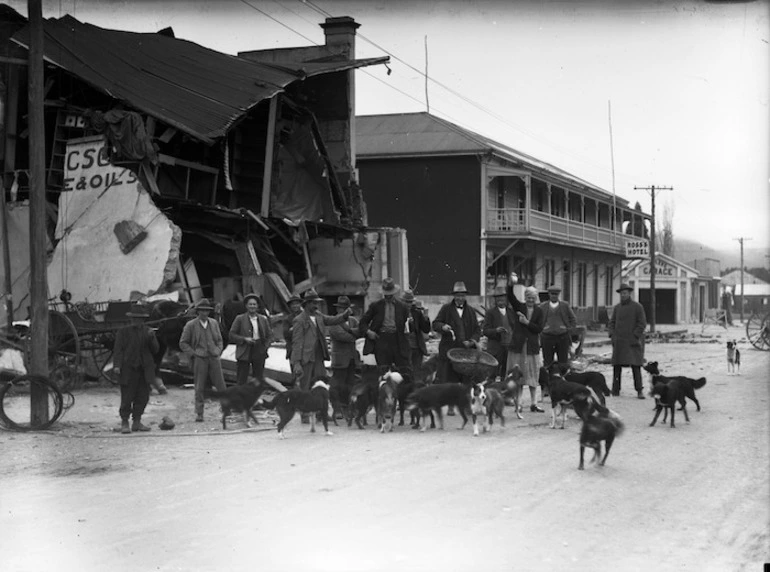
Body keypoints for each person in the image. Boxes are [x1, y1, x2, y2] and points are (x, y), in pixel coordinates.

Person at [291, 289, 351, 421]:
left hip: (318, 356)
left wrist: (344, 316)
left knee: (320, 384)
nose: (316, 305)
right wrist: (296, 363)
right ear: (306, 304)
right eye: (314, 303)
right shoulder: (299, 320)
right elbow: (296, 343)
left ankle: (320, 413)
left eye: (317, 302)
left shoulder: (318, 315)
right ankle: (305, 413)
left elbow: (331, 320)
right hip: (306, 357)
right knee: (305, 386)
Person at [113, 304, 159, 434]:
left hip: (144, 370)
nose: (136, 321)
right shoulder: (123, 332)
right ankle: (124, 422)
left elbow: (155, 350)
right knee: (127, 397)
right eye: (134, 318)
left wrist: (152, 338)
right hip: (128, 370)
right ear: (131, 319)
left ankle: (137, 422)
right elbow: (118, 350)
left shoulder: (148, 332)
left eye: (139, 319)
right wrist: (117, 366)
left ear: (143, 320)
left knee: (143, 397)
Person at [179, 298, 227, 422]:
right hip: (200, 358)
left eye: (207, 311)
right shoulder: (191, 325)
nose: (204, 313)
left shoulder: (214, 323)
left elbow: (220, 340)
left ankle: (226, 410)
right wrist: (193, 354)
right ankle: (199, 413)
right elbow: (183, 343)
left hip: (214, 357)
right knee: (199, 387)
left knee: (221, 385)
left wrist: (218, 350)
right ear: (198, 311)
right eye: (202, 311)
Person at [506, 275, 545, 413]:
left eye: (532, 297)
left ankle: (534, 403)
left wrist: (527, 323)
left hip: (532, 347)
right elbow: (510, 296)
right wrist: (510, 284)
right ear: (525, 297)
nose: (530, 300)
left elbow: (539, 328)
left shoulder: (540, 311)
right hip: (519, 345)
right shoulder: (519, 307)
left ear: (536, 298)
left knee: (533, 375)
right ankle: (520, 403)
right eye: (528, 297)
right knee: (520, 376)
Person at [358, 278, 412, 377]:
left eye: (390, 295)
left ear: (394, 293)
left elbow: (405, 324)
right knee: (383, 370)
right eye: (386, 295)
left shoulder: (402, 307)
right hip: (381, 340)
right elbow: (363, 323)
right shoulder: (376, 306)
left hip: (397, 340)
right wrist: (368, 332)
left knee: (404, 371)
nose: (388, 297)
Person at [432, 281, 480, 384]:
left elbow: (477, 330)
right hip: (448, 353)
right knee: (447, 382)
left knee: (466, 383)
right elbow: (435, 324)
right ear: (453, 296)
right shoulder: (446, 309)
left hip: (466, 355)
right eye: (457, 296)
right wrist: (443, 327)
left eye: (462, 296)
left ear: (465, 296)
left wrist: (472, 342)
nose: (460, 298)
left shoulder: (471, 311)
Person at [608, 283, 647, 399]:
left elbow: (642, 323)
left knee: (636, 366)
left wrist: (635, 335)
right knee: (617, 366)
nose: (623, 295)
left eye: (625, 293)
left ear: (629, 293)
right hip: (619, 342)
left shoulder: (637, 307)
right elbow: (612, 322)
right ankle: (615, 390)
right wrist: (612, 335)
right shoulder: (617, 308)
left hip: (632, 342)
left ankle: (639, 390)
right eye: (621, 294)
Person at [229, 293, 272, 386]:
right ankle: (241, 398)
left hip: (259, 349)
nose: (252, 306)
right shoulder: (239, 318)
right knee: (242, 377)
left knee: (258, 377)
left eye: (254, 304)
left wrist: (265, 346)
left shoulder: (263, 319)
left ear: (257, 306)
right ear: (246, 306)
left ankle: (255, 398)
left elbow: (270, 335)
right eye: (250, 304)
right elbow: (232, 335)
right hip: (244, 349)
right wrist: (244, 339)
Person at [328, 295, 361, 415]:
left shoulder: (353, 320)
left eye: (346, 308)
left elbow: (361, 330)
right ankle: (337, 409)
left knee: (350, 384)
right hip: (340, 358)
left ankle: (348, 407)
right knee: (337, 385)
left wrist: (353, 333)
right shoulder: (333, 321)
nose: (344, 310)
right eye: (341, 308)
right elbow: (341, 336)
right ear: (338, 309)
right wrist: (354, 334)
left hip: (352, 358)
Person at [539, 285, 577, 369]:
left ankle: (563, 378)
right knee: (547, 361)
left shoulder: (564, 305)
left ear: (559, 295)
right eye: (552, 294)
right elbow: (538, 319)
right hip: (547, 337)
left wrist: (569, 329)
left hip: (562, 337)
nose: (554, 296)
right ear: (549, 294)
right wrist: (542, 329)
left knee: (563, 361)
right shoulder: (543, 306)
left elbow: (573, 318)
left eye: (556, 294)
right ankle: (548, 379)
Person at [482, 285, 515, 380]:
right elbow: (485, 330)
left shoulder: (511, 312)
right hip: (496, 348)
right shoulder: (490, 313)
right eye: (498, 297)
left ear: (506, 298)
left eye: (502, 297)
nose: (500, 299)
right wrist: (496, 330)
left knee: (506, 373)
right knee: (492, 373)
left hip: (509, 347)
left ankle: (503, 391)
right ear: (495, 300)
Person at [402, 289, 431, 373]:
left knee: (417, 371)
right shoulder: (398, 313)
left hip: (417, 347)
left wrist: (426, 317)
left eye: (410, 302)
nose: (408, 304)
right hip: (404, 348)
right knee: (407, 371)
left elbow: (426, 329)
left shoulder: (417, 312)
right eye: (406, 302)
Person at [283, 293, 303, 364]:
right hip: (293, 349)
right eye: (293, 304)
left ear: (300, 304)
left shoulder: (306, 316)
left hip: (305, 349)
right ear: (290, 306)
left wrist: (293, 329)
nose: (295, 306)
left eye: (297, 303)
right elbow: (286, 334)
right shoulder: (288, 319)